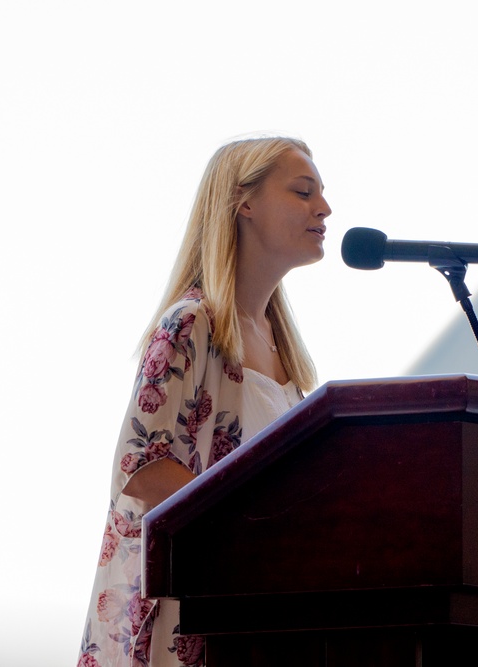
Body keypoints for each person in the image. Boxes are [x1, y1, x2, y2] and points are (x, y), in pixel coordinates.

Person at [77, 136, 332, 667]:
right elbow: (141, 467)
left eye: (322, 194)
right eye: (303, 191)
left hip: (257, 619)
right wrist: (255, 528)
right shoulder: (193, 323)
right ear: (244, 204)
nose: (324, 208)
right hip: (197, 620)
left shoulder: (279, 341)